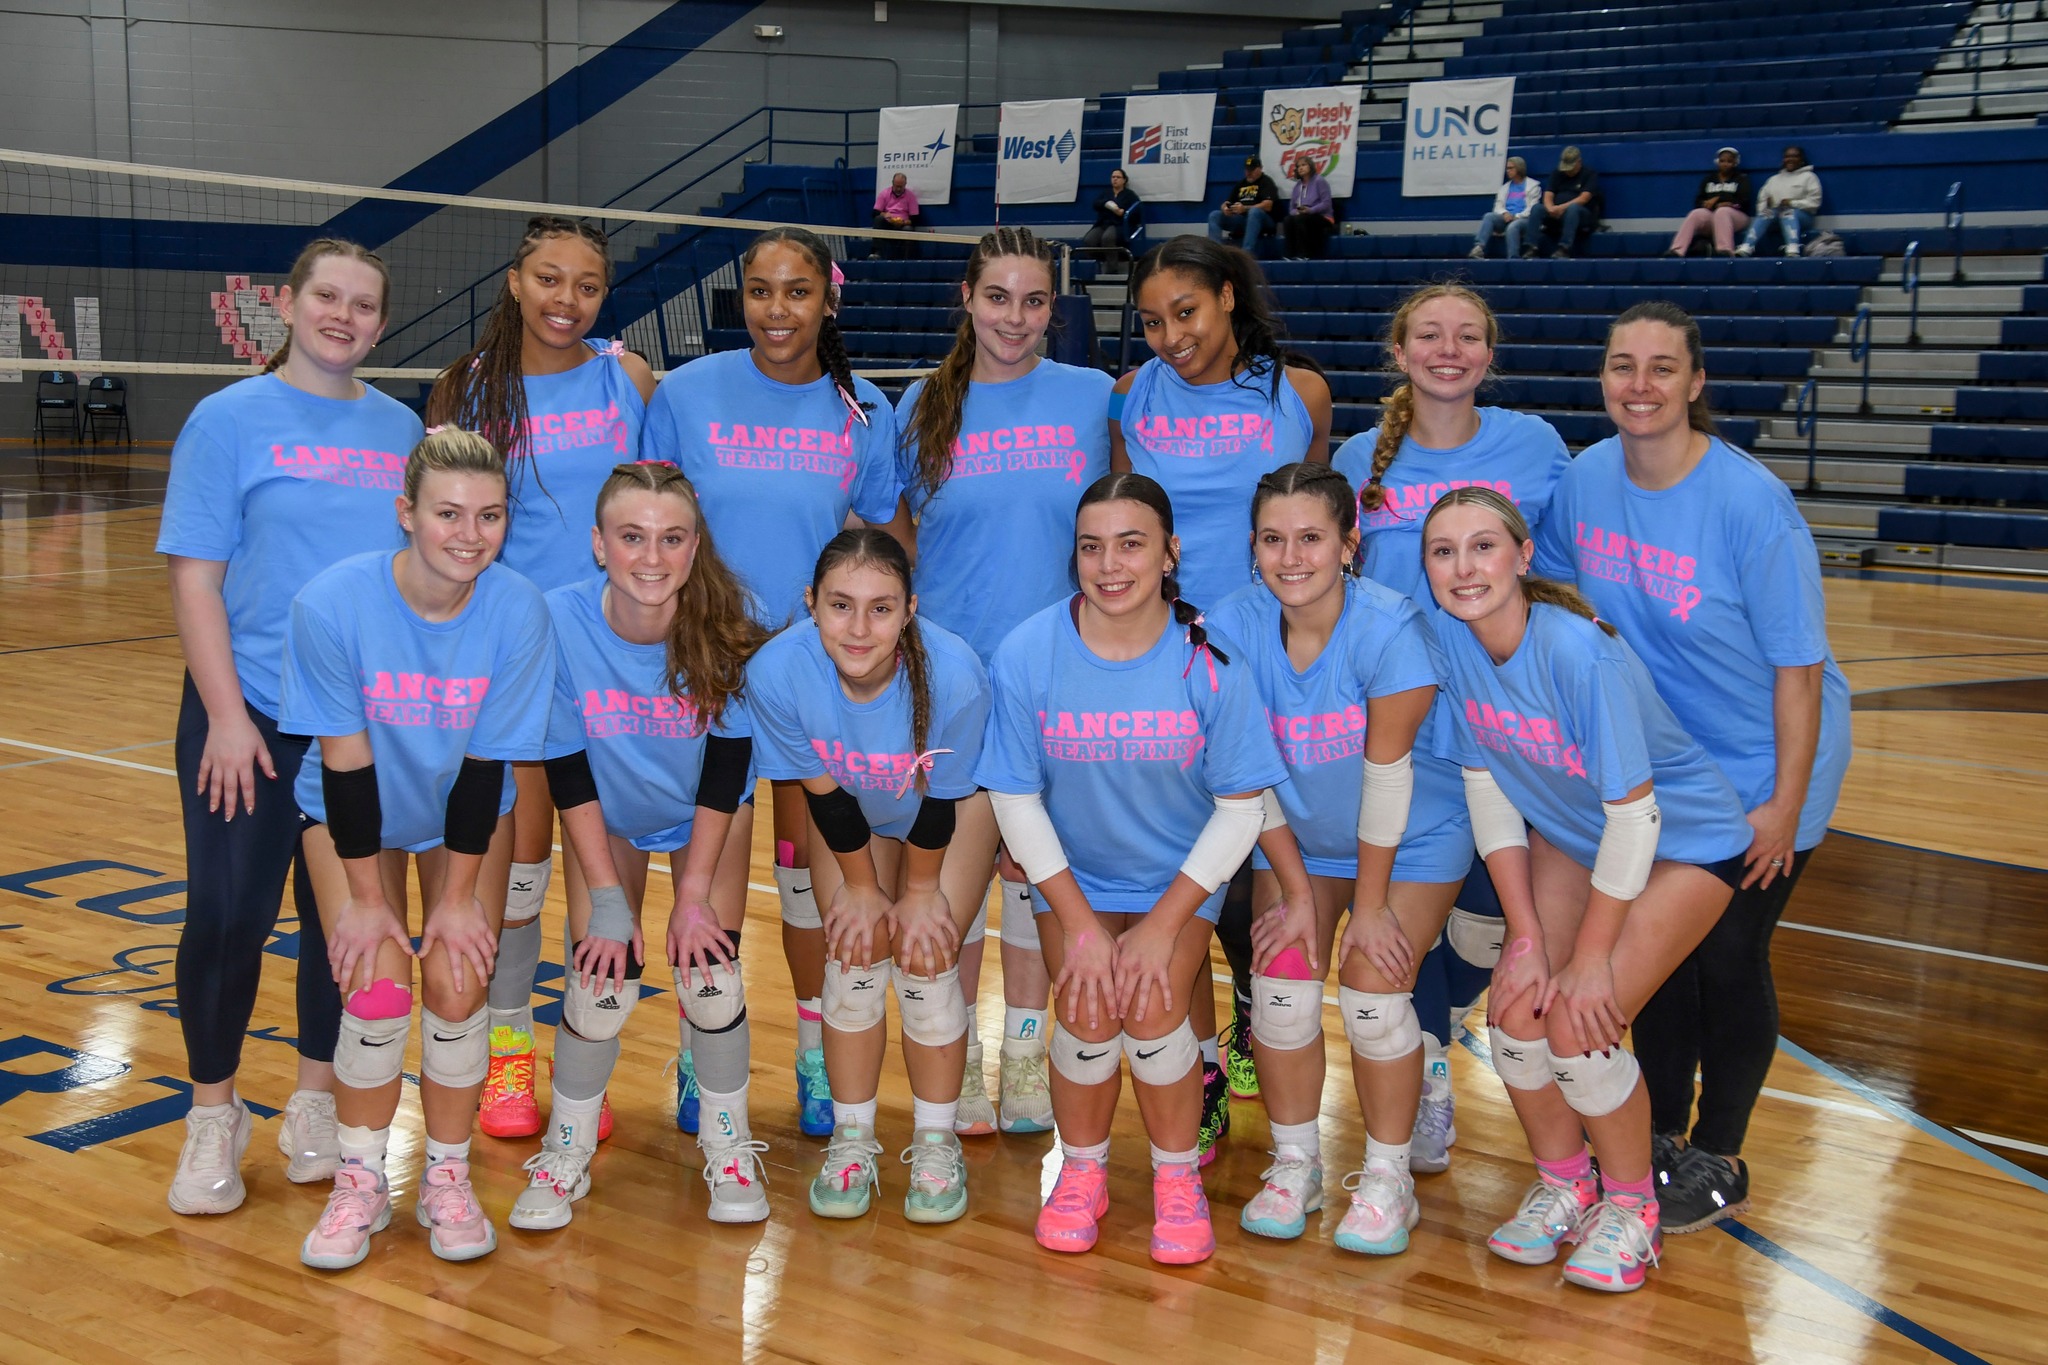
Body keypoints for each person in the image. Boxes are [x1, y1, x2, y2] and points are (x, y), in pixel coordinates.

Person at [1534, 301, 1850, 1233]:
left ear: (1695, 382)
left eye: (1662, 367)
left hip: (1766, 760)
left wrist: (1783, 805)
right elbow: (1555, 601)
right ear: (1602, 376)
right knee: (1661, 956)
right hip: (1662, 763)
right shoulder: (1587, 480)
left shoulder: (1752, 504)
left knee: (1725, 950)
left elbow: (1799, 674)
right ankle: (1659, 1131)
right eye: (1622, 364)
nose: (1640, 384)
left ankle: (1722, 1148)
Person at [1422, 484, 1750, 1294]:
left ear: (1524, 556)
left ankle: (1634, 1209)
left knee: (1578, 1020)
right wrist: (1527, 937)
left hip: (1682, 840)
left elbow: (1636, 816)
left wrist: (1591, 956)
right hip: (1573, 835)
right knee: (1514, 1010)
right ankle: (1569, 1184)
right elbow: (1490, 789)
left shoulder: (1577, 653)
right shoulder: (1455, 644)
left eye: (1483, 546)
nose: (1464, 568)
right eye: (1443, 551)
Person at [158, 238, 420, 1217]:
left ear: (381, 323)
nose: (342, 316)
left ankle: (314, 1099)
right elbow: (196, 576)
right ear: (291, 303)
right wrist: (226, 716)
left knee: (341, 923)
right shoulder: (226, 420)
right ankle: (212, 1114)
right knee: (228, 913)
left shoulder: (402, 430)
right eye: (327, 297)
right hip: (248, 711)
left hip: (354, 724)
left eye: (363, 304)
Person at [978, 472, 1287, 1265]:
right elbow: (1014, 800)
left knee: (1151, 1007)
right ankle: (1081, 1173)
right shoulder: (1028, 651)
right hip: (1071, 879)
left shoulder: (1211, 663)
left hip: (1177, 879)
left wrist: (1162, 924)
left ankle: (1175, 1177)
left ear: (1169, 553)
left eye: (1131, 543)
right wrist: (1079, 924)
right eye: (1091, 546)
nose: (1109, 564)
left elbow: (1241, 808)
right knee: (1084, 1007)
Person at [643, 225, 908, 1139]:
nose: (777, 310)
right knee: (705, 880)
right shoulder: (684, 393)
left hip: (808, 687)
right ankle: (698, 1047)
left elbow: (882, 543)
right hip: (705, 675)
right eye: (761, 291)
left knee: (808, 885)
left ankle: (813, 1055)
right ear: (741, 298)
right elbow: (649, 524)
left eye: (797, 291)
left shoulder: (861, 408)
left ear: (828, 299)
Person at [285, 428, 554, 1269]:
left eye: (490, 516)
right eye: (447, 513)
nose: (469, 534)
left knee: (458, 971)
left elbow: (484, 770)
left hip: (460, 814)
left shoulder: (517, 608)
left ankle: (446, 1173)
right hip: (350, 811)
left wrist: (458, 898)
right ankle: (360, 1180)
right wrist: (370, 903)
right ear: (406, 514)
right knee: (373, 985)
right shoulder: (331, 604)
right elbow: (346, 766)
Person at [426, 214, 657, 1144]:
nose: (568, 300)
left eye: (588, 284)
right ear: (516, 281)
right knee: (517, 872)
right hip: (516, 657)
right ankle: (510, 1058)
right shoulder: (467, 387)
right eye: (549, 279)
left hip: (615, 654)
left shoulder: (629, 377)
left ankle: (583, 1072)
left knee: (615, 884)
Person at [1332, 283, 1571, 1175]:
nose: (1448, 348)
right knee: (1402, 921)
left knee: (1485, 926)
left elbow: (1563, 583)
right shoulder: (1360, 459)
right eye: (1428, 334)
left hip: (1512, 729)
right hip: (1403, 732)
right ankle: (1430, 1070)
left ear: (1489, 353)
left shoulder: (1536, 447)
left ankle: (1450, 1020)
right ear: (1398, 352)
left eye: (1467, 336)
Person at [1113, 234, 1331, 1158]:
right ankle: (1199, 1066)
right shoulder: (1132, 397)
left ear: (1231, 299)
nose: (1170, 337)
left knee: (1254, 856)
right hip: (1168, 652)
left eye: (1187, 313)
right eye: (1153, 321)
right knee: (1186, 866)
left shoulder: (1300, 394)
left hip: (1267, 653)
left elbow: (1312, 506)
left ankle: (1250, 1005)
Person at [509, 462, 770, 1231]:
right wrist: (611, 901)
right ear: (597, 544)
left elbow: (727, 769)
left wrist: (692, 897)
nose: (651, 557)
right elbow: (565, 764)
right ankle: (567, 1148)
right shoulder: (555, 620)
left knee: (711, 972)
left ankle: (727, 1145)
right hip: (608, 812)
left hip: (706, 813)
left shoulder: (729, 621)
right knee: (600, 970)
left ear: (695, 548)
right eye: (631, 537)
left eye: (671, 538)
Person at [894, 226, 1114, 1136]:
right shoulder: (920, 407)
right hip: (946, 682)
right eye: (998, 298)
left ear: (1052, 308)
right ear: (967, 297)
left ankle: (1027, 1048)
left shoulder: (1096, 398)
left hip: (1054, 681)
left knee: (1033, 871)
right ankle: (967, 1058)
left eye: (1033, 301)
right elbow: (901, 539)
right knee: (952, 876)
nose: (1014, 319)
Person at [1213, 464, 1466, 1256]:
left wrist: (1376, 904)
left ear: (1349, 545)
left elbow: (1388, 777)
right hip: (1300, 838)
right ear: (1251, 547)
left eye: (1312, 537)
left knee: (1371, 992)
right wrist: (1292, 889)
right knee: (1281, 983)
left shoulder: (1391, 628)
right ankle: (1297, 1164)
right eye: (1273, 539)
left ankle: (1388, 1178)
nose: (1292, 557)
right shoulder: (1230, 625)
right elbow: (1245, 771)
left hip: (1411, 840)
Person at [747, 530, 997, 1225]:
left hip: (947, 811)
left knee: (925, 957)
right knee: (853, 954)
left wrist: (918, 895)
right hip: (853, 809)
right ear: (811, 604)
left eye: (881, 608)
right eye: (841, 606)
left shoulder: (955, 674)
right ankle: (854, 1139)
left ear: (911, 609)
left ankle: (935, 1141)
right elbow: (825, 798)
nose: (859, 629)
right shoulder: (777, 671)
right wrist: (861, 889)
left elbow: (942, 804)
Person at [1736, 146, 1822, 258]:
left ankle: (1793, 247)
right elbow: (1761, 203)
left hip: (1802, 217)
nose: (1790, 159)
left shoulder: (1809, 177)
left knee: (1787, 212)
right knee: (1765, 213)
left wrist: (1792, 203)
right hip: (1776, 217)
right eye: (1787, 156)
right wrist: (1767, 205)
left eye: (1794, 156)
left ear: (1801, 159)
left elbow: (1814, 202)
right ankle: (1747, 246)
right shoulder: (1773, 180)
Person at [1667, 148, 1753, 258]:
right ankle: (1677, 250)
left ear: (1735, 162)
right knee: (1696, 213)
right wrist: (1705, 204)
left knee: (1722, 212)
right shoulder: (1709, 179)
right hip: (1713, 215)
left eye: (1729, 161)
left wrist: (1722, 200)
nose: (1725, 164)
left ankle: (1725, 250)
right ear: (1717, 162)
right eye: (1722, 161)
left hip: (1737, 217)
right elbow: (1698, 201)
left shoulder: (1741, 178)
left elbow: (1744, 201)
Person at [1207, 156, 1282, 257]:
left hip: (1264, 220)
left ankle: (1246, 253)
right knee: (1214, 215)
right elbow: (1227, 202)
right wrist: (1225, 208)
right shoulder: (1240, 184)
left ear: (1260, 168)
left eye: (1252, 170)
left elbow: (1268, 205)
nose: (1248, 173)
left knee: (1254, 212)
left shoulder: (1266, 182)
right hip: (1242, 219)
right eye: (1247, 170)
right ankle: (1216, 254)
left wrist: (1245, 208)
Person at [1535, 147, 1601, 259]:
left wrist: (1561, 208)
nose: (1568, 171)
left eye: (1571, 168)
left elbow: (1583, 199)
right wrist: (1550, 207)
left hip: (1582, 214)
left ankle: (1564, 248)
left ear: (1579, 162)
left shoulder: (1589, 174)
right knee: (1537, 208)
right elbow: (1548, 194)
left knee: (1573, 208)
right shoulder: (1556, 173)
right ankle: (1532, 247)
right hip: (1556, 212)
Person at [1470, 157, 1541, 260]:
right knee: (1489, 216)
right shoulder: (1504, 188)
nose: (1508, 171)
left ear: (1519, 168)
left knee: (1513, 226)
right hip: (1506, 218)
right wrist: (1504, 213)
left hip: (1524, 220)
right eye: (1507, 168)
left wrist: (1516, 216)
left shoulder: (1533, 186)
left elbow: (1532, 208)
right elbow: (1498, 206)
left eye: (1511, 168)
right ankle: (1479, 248)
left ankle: (1513, 257)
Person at [1281, 156, 1336, 261]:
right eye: (1298, 166)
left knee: (1302, 219)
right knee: (1288, 220)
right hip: (1303, 215)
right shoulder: (1297, 186)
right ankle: (1289, 254)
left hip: (1322, 217)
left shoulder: (1320, 181)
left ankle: (1304, 254)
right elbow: (1291, 208)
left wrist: (1310, 210)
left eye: (1303, 165)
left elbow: (1326, 203)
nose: (1300, 168)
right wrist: (1296, 212)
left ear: (1310, 166)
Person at [1080, 168, 1140, 260]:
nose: (1115, 179)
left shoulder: (1130, 195)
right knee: (1089, 240)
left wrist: (1122, 212)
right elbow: (1096, 204)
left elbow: (1136, 212)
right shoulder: (1106, 193)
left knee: (1107, 238)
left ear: (1124, 180)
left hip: (1119, 225)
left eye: (1118, 177)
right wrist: (1107, 204)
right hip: (1103, 224)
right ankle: (1096, 265)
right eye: (1113, 177)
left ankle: (1111, 269)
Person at [873, 172, 922, 260]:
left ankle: (907, 259)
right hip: (888, 223)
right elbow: (875, 212)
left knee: (908, 229)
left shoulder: (911, 196)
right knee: (878, 220)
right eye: (896, 186)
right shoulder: (884, 193)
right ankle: (877, 253)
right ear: (892, 183)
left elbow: (915, 219)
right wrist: (885, 215)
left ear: (905, 185)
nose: (898, 189)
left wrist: (903, 222)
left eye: (901, 186)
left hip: (903, 224)